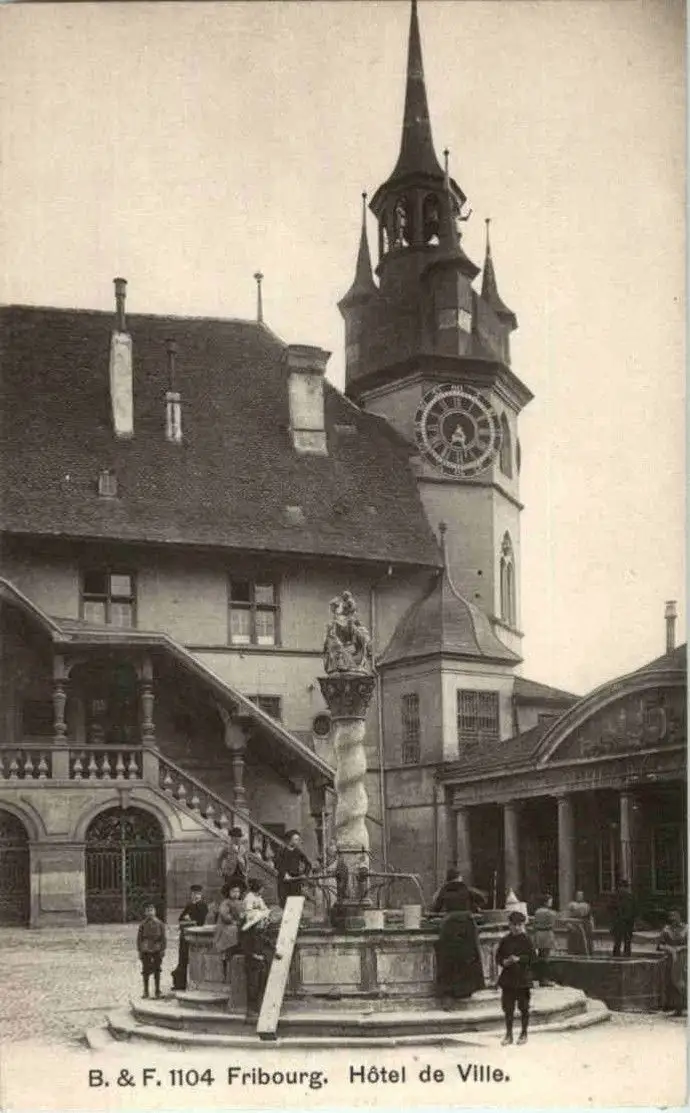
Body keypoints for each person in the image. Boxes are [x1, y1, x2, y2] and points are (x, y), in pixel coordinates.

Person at [432, 868, 485, 1003]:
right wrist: (473, 906)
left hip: (450, 925)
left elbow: (435, 909)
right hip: (466, 924)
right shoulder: (466, 889)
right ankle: (466, 990)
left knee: (449, 958)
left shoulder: (443, 890)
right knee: (468, 956)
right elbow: (482, 898)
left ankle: (450, 991)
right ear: (459, 877)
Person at [496, 909, 535, 1046]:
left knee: (524, 1007)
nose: (517, 928)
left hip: (523, 978)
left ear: (523, 925)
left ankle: (524, 1033)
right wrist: (504, 962)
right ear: (509, 925)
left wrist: (519, 959)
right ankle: (509, 1034)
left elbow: (533, 958)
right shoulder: (505, 940)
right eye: (514, 925)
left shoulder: (527, 940)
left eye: (520, 925)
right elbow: (498, 957)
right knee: (508, 1008)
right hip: (508, 979)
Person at [172, 884, 209, 991]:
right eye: (193, 894)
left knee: (195, 960)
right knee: (182, 959)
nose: (195, 896)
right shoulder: (189, 905)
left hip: (196, 936)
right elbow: (181, 918)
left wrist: (190, 918)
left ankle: (195, 984)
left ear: (201, 895)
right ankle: (180, 984)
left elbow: (202, 921)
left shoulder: (203, 906)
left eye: (197, 894)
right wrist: (187, 919)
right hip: (185, 935)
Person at [657, 910, 687, 1016]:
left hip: (684, 958)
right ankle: (674, 1007)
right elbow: (659, 945)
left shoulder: (687, 929)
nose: (674, 919)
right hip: (670, 959)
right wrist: (669, 948)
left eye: (676, 917)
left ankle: (682, 1007)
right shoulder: (666, 930)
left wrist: (680, 948)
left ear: (680, 917)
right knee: (671, 982)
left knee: (682, 981)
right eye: (672, 917)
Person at [213, 882, 245, 980]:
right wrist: (233, 920)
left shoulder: (241, 902)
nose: (236, 894)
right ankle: (225, 971)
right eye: (233, 891)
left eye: (238, 891)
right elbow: (224, 915)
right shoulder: (225, 903)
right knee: (231, 933)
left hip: (237, 925)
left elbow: (243, 913)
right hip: (225, 926)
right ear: (228, 892)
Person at [137, 902, 167, 1000]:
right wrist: (139, 950)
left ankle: (157, 991)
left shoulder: (160, 923)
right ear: (145, 913)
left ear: (155, 912)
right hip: (146, 949)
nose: (150, 913)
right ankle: (146, 991)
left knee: (157, 970)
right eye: (148, 911)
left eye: (151, 910)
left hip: (157, 949)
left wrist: (163, 949)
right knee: (145, 971)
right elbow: (139, 938)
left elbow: (163, 938)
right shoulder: (142, 924)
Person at [276, 830, 312, 906]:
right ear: (290, 840)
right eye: (296, 839)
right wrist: (284, 874)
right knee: (285, 904)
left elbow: (308, 864)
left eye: (298, 839)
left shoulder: (298, 852)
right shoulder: (281, 851)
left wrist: (305, 874)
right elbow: (278, 865)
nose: (298, 841)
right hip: (284, 882)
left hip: (296, 882)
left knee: (296, 904)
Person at [532, 894, 557, 986]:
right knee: (546, 958)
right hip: (547, 934)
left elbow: (534, 924)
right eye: (550, 901)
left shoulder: (537, 912)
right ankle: (544, 979)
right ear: (546, 902)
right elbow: (553, 925)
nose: (551, 902)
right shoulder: (551, 913)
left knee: (540, 956)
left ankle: (539, 978)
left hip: (538, 934)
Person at [610, 879, 636, 958]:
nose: (621, 889)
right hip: (620, 922)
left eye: (623, 887)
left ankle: (626, 955)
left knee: (626, 941)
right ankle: (617, 956)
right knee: (618, 941)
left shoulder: (630, 897)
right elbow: (611, 908)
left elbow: (634, 910)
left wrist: (633, 920)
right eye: (620, 887)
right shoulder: (616, 897)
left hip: (627, 922)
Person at [567, 890, 594, 955]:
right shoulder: (571, 904)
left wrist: (592, 925)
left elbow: (590, 916)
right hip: (574, 924)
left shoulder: (586, 905)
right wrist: (568, 924)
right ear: (575, 896)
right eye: (578, 895)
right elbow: (567, 915)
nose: (579, 896)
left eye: (581, 895)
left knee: (585, 940)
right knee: (574, 939)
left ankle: (585, 952)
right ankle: (574, 952)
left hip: (585, 924)